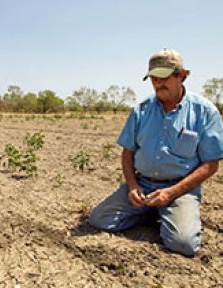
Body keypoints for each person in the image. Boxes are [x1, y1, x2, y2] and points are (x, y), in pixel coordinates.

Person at [88, 48, 223, 257]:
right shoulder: (141, 110)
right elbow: (128, 152)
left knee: (183, 244)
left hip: (180, 189)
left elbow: (210, 165)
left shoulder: (204, 112)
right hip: (143, 185)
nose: (158, 84)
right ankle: (150, 211)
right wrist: (132, 186)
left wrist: (171, 193)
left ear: (182, 76)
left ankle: (167, 212)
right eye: (153, 78)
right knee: (99, 220)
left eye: (164, 77)